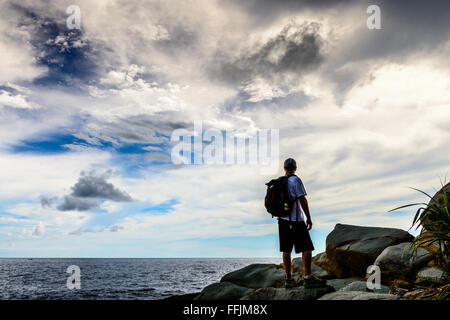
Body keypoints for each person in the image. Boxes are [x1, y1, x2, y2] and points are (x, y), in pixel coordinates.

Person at [279, 158, 323, 288]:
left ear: (284, 168)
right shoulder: (295, 180)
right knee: (306, 248)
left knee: (286, 250)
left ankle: (288, 280)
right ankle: (308, 278)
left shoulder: (280, 182)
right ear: (295, 168)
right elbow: (302, 200)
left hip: (282, 221)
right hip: (296, 221)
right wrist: (308, 218)